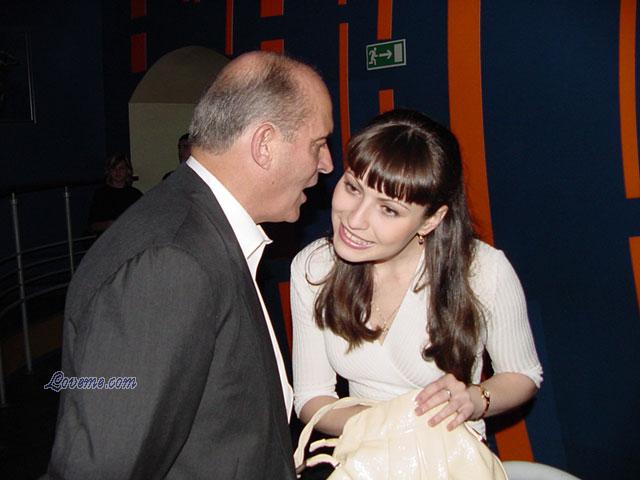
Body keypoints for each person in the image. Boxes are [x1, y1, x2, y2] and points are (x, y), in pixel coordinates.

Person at [45, 51, 333, 479]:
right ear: (265, 144)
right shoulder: (171, 263)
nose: (327, 164)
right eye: (318, 144)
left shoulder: (193, 228)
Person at [291, 109, 542, 443]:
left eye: (388, 209)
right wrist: (394, 424)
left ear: (431, 220)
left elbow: (523, 375)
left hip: (452, 456)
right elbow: (311, 398)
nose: (354, 219)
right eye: (353, 187)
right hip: (363, 454)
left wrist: (473, 399)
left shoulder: (481, 269)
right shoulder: (316, 267)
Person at [88, 153, 143, 234]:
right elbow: (92, 225)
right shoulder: (101, 194)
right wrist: (107, 225)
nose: (118, 172)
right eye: (114, 168)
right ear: (109, 171)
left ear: (127, 171)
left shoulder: (135, 194)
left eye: (121, 168)